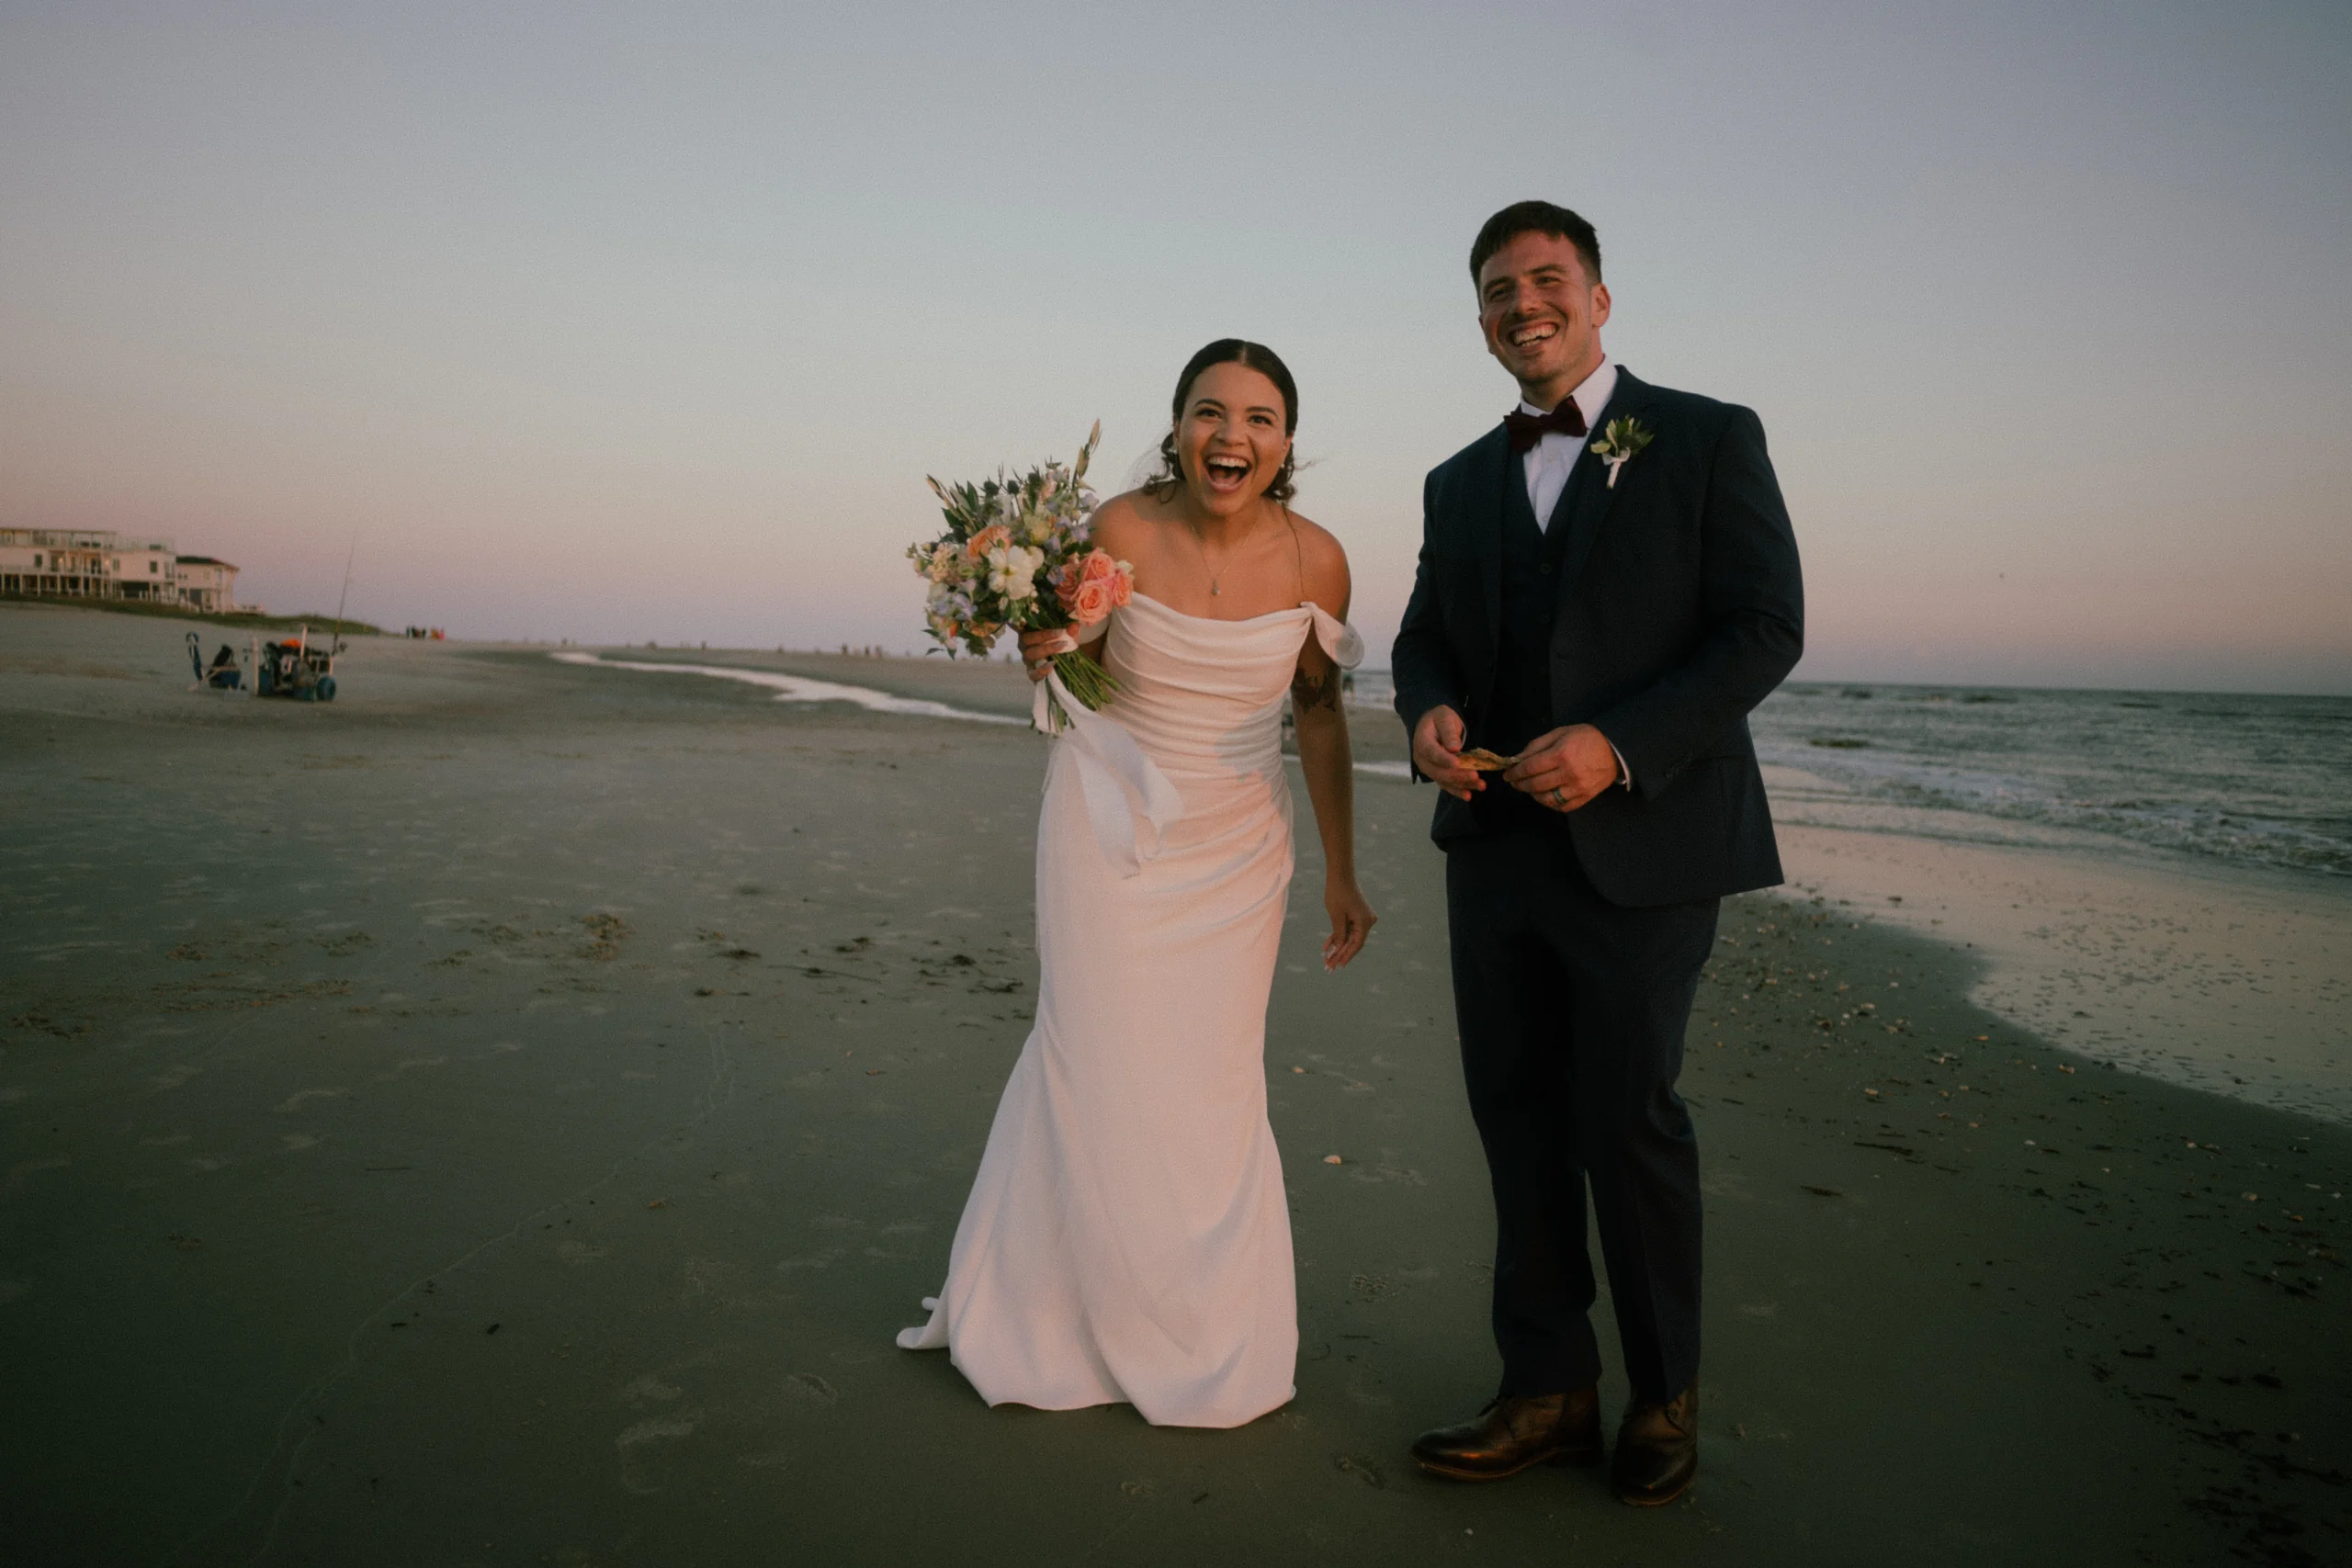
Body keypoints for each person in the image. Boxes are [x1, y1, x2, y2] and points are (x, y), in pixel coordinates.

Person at [1391, 202, 1804, 1506]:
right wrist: (1427, 716)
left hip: (1649, 843)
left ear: (1601, 298)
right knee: (1515, 1120)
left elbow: (1762, 627)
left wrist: (1619, 747)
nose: (1526, 304)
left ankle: (1663, 1393)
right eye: (1501, 289)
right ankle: (1548, 1388)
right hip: (1494, 848)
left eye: (1548, 279)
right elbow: (1423, 640)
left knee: (1627, 1118)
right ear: (1481, 320)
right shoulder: (1455, 481)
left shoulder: (1702, 435)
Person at [898, 339, 1376, 1427]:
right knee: (1095, 1055)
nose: (1232, 436)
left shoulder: (1320, 560)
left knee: (1206, 1084)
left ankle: (1197, 1328)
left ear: (1286, 443)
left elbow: (1316, 712)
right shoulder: (1120, 527)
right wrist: (1046, 645)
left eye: (1259, 418)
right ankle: (1055, 1322)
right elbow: (1087, 673)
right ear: (1176, 427)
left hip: (1240, 844)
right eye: (1210, 413)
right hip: (1110, 817)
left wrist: (1342, 871)